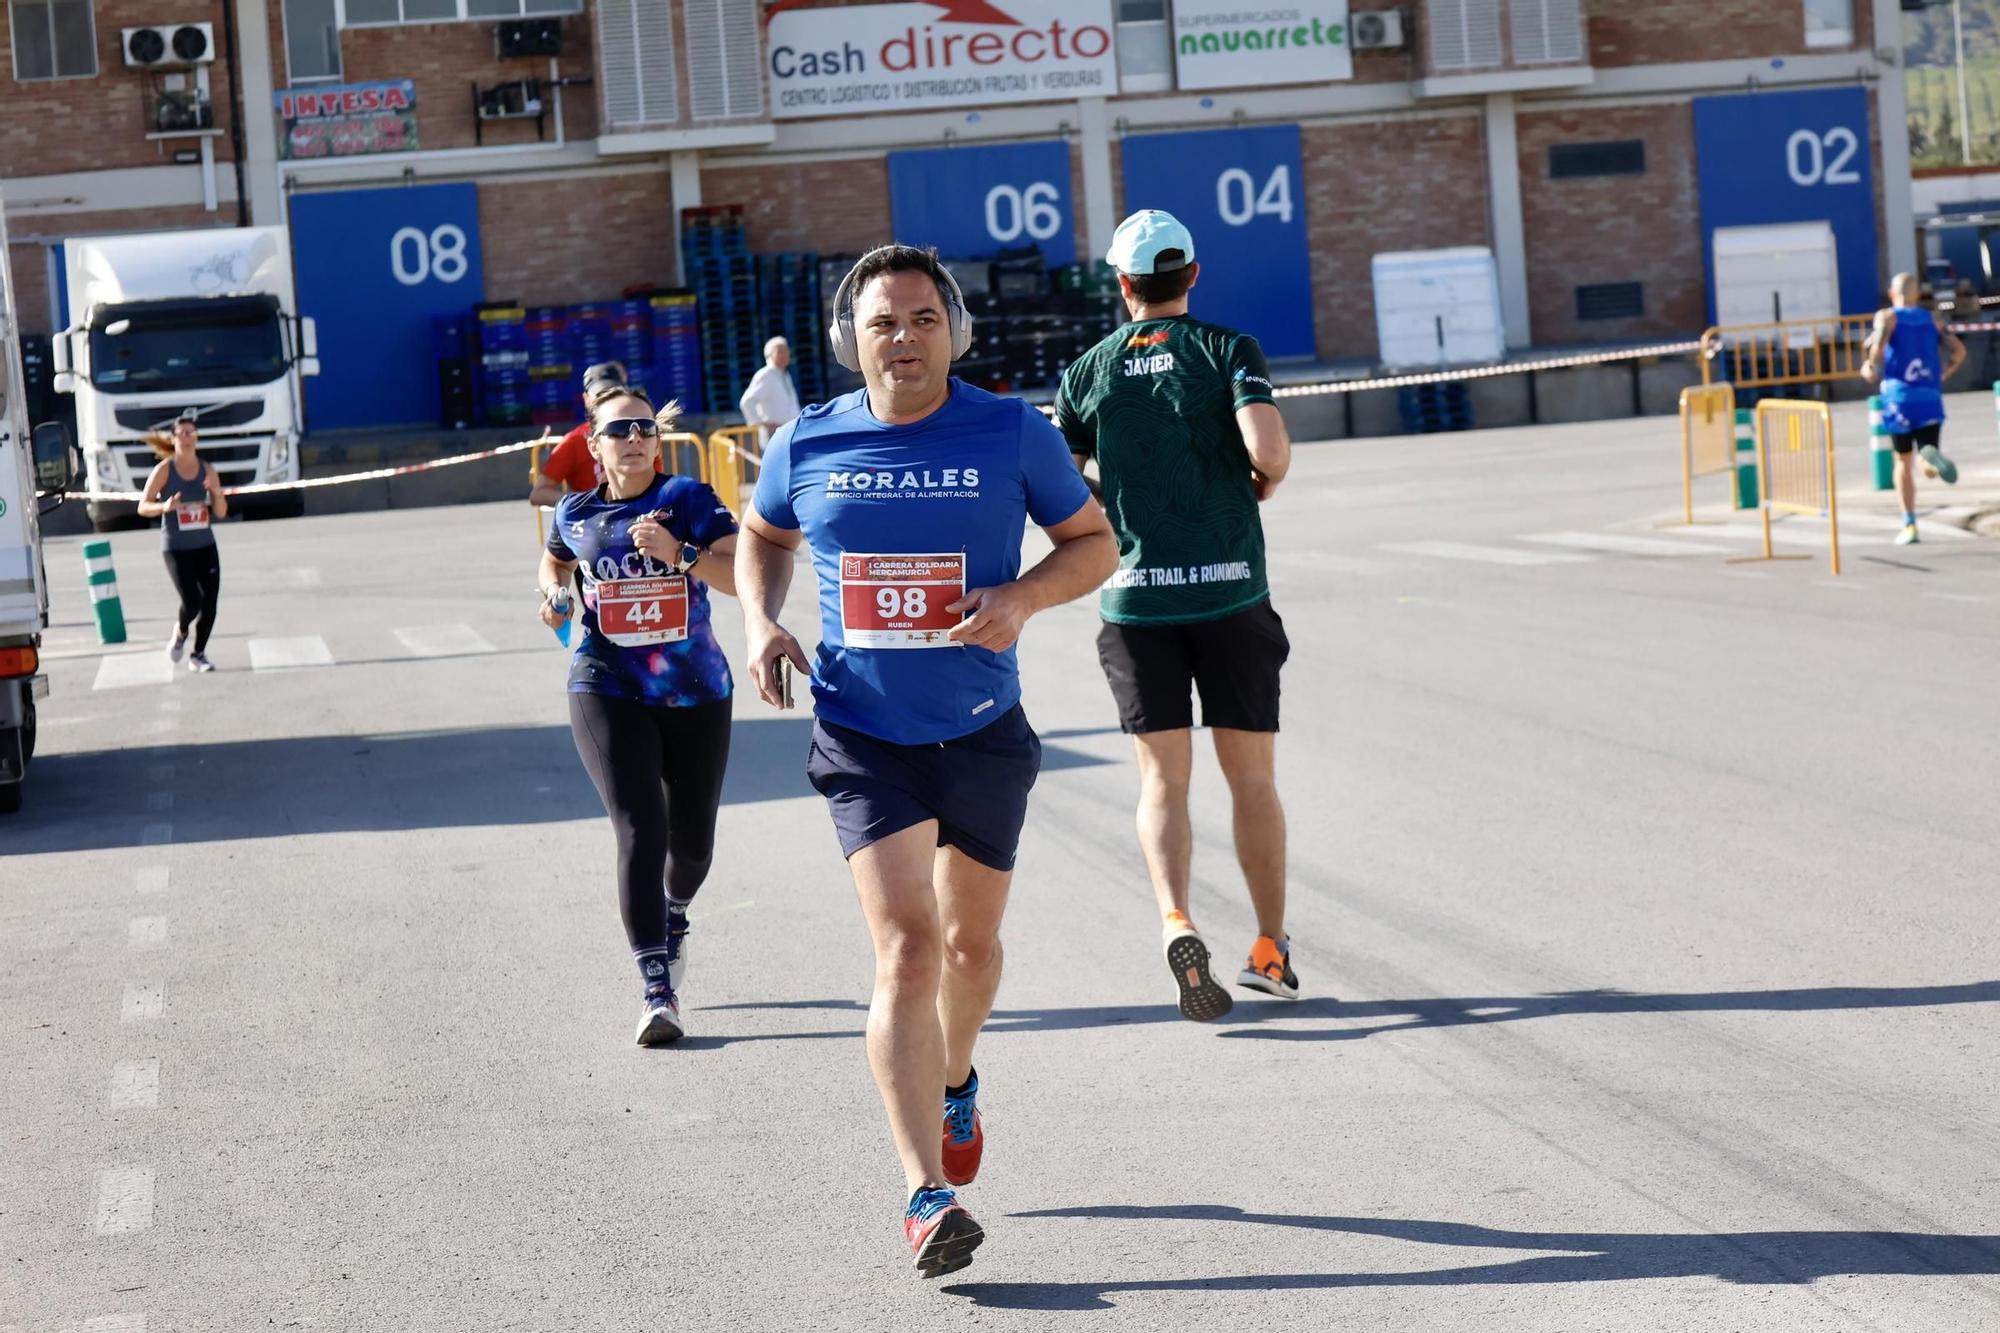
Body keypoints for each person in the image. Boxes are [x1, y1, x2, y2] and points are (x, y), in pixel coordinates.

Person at [734, 245, 1114, 1278]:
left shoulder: (1008, 428)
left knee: (968, 952)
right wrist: (762, 622)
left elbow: (1093, 540)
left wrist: (1022, 598)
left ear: (954, 330)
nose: (902, 337)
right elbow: (759, 534)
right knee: (905, 945)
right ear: (846, 340)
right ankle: (921, 1190)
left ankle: (955, 1079)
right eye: (881, 322)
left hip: (982, 726)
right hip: (861, 733)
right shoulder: (806, 439)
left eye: (920, 319)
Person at [1052, 209, 1297, 1024]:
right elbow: (1268, 453)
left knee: (1163, 779)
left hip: (1135, 600)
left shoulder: (1086, 369)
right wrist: (1254, 479)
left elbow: (1064, 476)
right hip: (1230, 592)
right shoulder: (1230, 349)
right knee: (1252, 779)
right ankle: (1268, 946)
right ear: (1193, 274)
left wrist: (1114, 496)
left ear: (1122, 285)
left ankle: (1176, 919)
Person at [537, 387, 741, 1046]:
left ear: (657, 439)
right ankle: (657, 989)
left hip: (694, 688)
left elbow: (743, 572)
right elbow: (556, 561)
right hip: (604, 680)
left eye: (644, 428)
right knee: (637, 824)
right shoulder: (575, 510)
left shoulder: (688, 498)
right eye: (618, 429)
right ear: (592, 444)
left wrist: (679, 553)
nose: (633, 438)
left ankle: (674, 912)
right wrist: (552, 597)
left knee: (692, 847)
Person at [1862, 272, 1966, 545]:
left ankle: (1909, 524)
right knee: (1926, 458)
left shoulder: (1888, 317)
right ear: (1917, 294)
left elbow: (1877, 353)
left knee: (1902, 462)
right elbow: (1959, 352)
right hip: (1930, 396)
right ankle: (1930, 459)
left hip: (1899, 399)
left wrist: (1870, 368)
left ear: (1892, 293)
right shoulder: (1932, 319)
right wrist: (1944, 373)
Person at [137, 408, 227, 673]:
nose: (187, 438)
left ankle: (198, 654)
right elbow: (143, 506)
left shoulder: (207, 469)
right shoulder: (165, 470)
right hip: (176, 546)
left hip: (204, 543)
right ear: (174, 439)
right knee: (192, 601)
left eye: (192, 434)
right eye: (182, 434)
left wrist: (215, 492)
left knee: (210, 603)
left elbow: (221, 512)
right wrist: (165, 507)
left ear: (197, 439)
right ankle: (181, 632)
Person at [528, 362, 661, 509]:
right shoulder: (575, 440)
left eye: (612, 394)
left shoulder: (643, 436)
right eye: (599, 395)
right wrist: (588, 505)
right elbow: (538, 493)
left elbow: (658, 484)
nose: (605, 401)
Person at [737, 335, 802, 441]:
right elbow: (746, 402)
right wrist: (763, 424)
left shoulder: (785, 375)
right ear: (770, 355)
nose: (785, 354)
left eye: (786, 351)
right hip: (773, 435)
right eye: (780, 351)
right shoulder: (766, 375)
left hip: (789, 432)